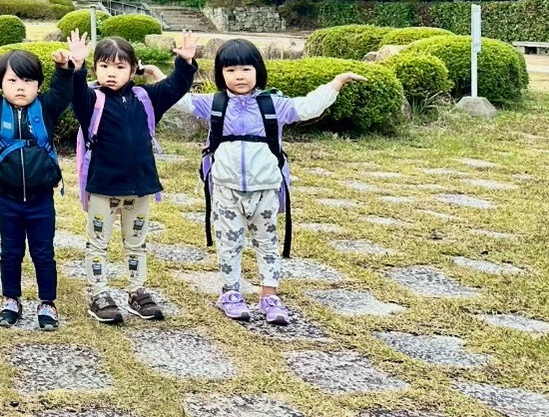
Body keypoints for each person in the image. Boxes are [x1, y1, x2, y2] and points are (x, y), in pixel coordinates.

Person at [172, 37, 360, 324]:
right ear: (220, 74)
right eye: (231, 70)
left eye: (245, 69)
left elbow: (308, 106)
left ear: (258, 70)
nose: (239, 76)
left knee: (267, 243)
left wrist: (336, 83)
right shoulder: (215, 104)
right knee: (228, 243)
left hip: (266, 189)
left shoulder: (274, 104)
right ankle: (230, 293)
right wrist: (169, 72)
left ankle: (269, 295)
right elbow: (179, 99)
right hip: (225, 187)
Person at [68, 31, 197, 325]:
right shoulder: (92, 101)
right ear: (95, 69)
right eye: (104, 66)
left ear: (133, 68)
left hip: (140, 187)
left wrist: (185, 62)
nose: (111, 73)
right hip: (102, 187)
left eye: (119, 67)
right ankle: (98, 293)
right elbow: (74, 93)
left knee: (137, 243)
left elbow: (176, 85)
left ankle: (137, 291)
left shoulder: (145, 98)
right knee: (98, 243)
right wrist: (76, 66)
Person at [0, 46, 73, 329]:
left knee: (43, 252)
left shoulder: (45, 107)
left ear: (38, 84)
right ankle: (11, 299)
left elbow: (62, 92)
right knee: (10, 251)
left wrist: (63, 68)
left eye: (27, 81)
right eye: (12, 80)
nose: (20, 87)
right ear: (0, 84)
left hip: (41, 199)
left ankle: (47, 303)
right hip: (7, 199)